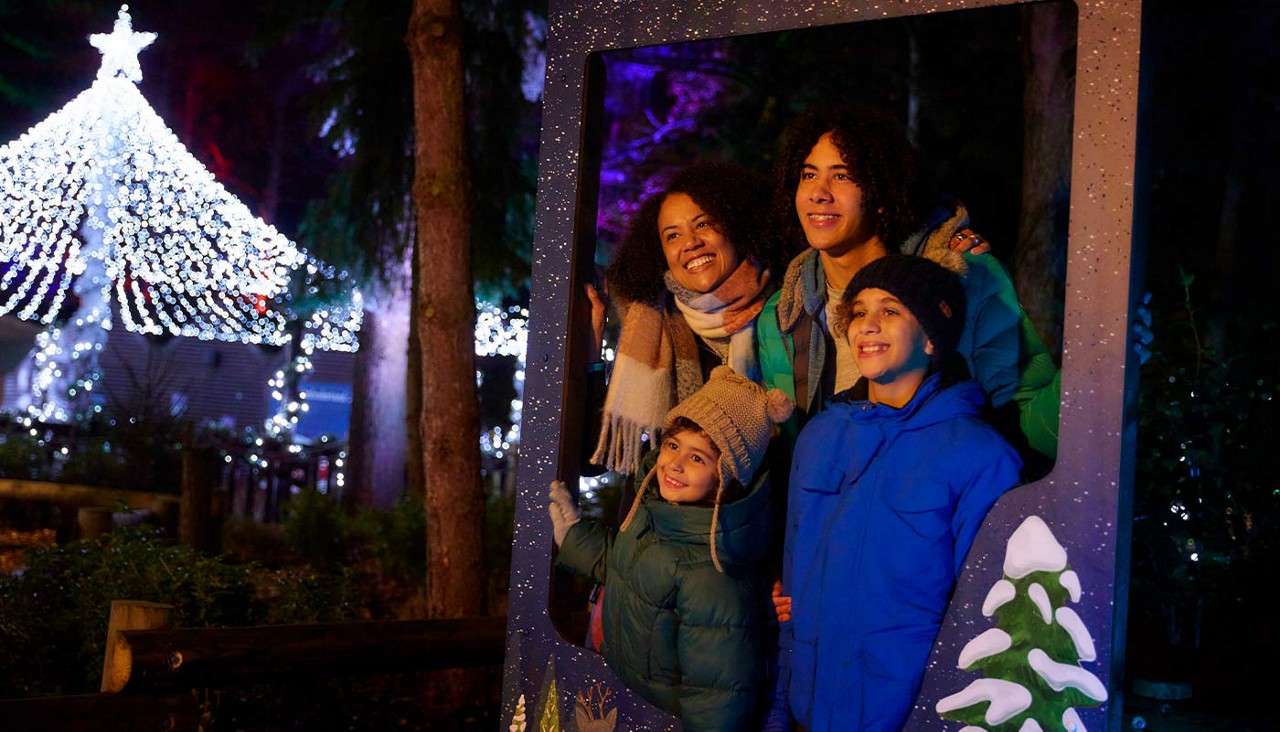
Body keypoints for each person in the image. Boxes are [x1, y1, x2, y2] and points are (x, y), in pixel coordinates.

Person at [770, 255, 1022, 731]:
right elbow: (794, 575)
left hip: (907, 709)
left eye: (890, 311)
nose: (868, 325)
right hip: (811, 702)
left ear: (931, 338)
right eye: (859, 312)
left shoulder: (981, 456)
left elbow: (984, 612)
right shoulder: (820, 436)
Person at [756, 104, 1060, 462]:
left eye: (842, 176)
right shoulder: (780, 316)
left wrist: (1103, 363)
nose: (818, 193)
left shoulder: (964, 279)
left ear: (882, 196)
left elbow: (1032, 422)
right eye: (808, 175)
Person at [549, 367, 794, 731]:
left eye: (697, 458)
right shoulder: (660, 514)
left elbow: (717, 697)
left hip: (661, 719)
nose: (674, 464)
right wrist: (572, 535)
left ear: (726, 476)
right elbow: (629, 565)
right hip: (626, 700)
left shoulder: (712, 576)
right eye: (673, 445)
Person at [586, 162, 788, 478]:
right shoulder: (656, 325)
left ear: (736, 224)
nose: (690, 243)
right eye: (673, 235)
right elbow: (594, 459)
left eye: (703, 224)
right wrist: (592, 346)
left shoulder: (787, 309)